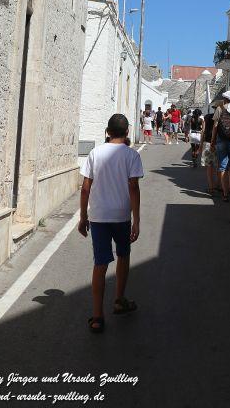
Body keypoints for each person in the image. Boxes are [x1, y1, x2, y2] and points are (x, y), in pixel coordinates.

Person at [78, 113, 143, 333]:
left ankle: (97, 316)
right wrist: (136, 220)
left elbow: (86, 187)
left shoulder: (95, 153)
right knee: (123, 255)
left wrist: (82, 218)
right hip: (121, 216)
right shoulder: (132, 155)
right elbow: (133, 187)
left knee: (100, 263)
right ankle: (119, 300)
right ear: (126, 133)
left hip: (98, 216)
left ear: (107, 131)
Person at [199, 107, 220, 196]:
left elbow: (203, 131)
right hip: (219, 144)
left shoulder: (207, 117)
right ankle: (218, 186)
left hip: (208, 143)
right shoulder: (221, 118)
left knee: (209, 167)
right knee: (219, 167)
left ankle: (211, 188)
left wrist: (200, 145)